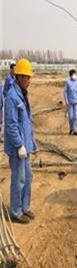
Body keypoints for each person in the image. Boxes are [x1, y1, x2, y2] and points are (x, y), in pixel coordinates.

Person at [4, 59, 37, 224]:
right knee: (19, 179)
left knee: (28, 177)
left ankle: (25, 207)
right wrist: (19, 145)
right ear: (19, 77)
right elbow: (11, 124)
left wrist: (31, 143)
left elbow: (27, 122)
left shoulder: (22, 94)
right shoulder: (12, 96)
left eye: (30, 77)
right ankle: (16, 212)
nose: (29, 81)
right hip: (18, 148)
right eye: (27, 77)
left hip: (25, 145)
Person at [63, 69, 77, 136]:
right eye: (73, 74)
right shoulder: (68, 82)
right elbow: (65, 92)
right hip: (70, 103)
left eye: (75, 74)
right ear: (70, 75)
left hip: (76, 102)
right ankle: (71, 129)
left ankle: (75, 130)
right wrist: (66, 101)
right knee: (71, 117)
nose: (74, 75)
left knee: (76, 117)